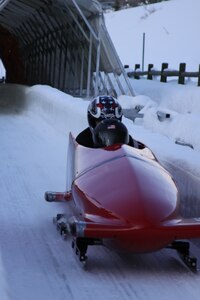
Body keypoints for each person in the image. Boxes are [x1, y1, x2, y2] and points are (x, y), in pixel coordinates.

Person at [76, 95, 144, 149]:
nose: (107, 128)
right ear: (92, 121)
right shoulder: (83, 140)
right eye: (100, 122)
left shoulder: (127, 139)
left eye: (112, 122)